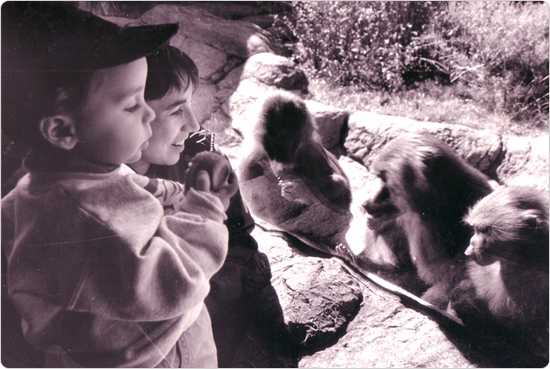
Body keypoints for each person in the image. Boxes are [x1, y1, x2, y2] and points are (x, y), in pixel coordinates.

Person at [1, 2, 237, 367]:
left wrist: (177, 192)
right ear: (62, 130)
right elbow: (174, 280)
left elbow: (133, 190)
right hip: (155, 355)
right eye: (132, 105)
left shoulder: (45, 187)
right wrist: (204, 210)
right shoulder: (87, 219)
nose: (148, 113)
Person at [128, 45, 297, 367]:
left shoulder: (200, 155)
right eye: (176, 110)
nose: (194, 123)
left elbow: (239, 242)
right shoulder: (89, 185)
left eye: (191, 104)